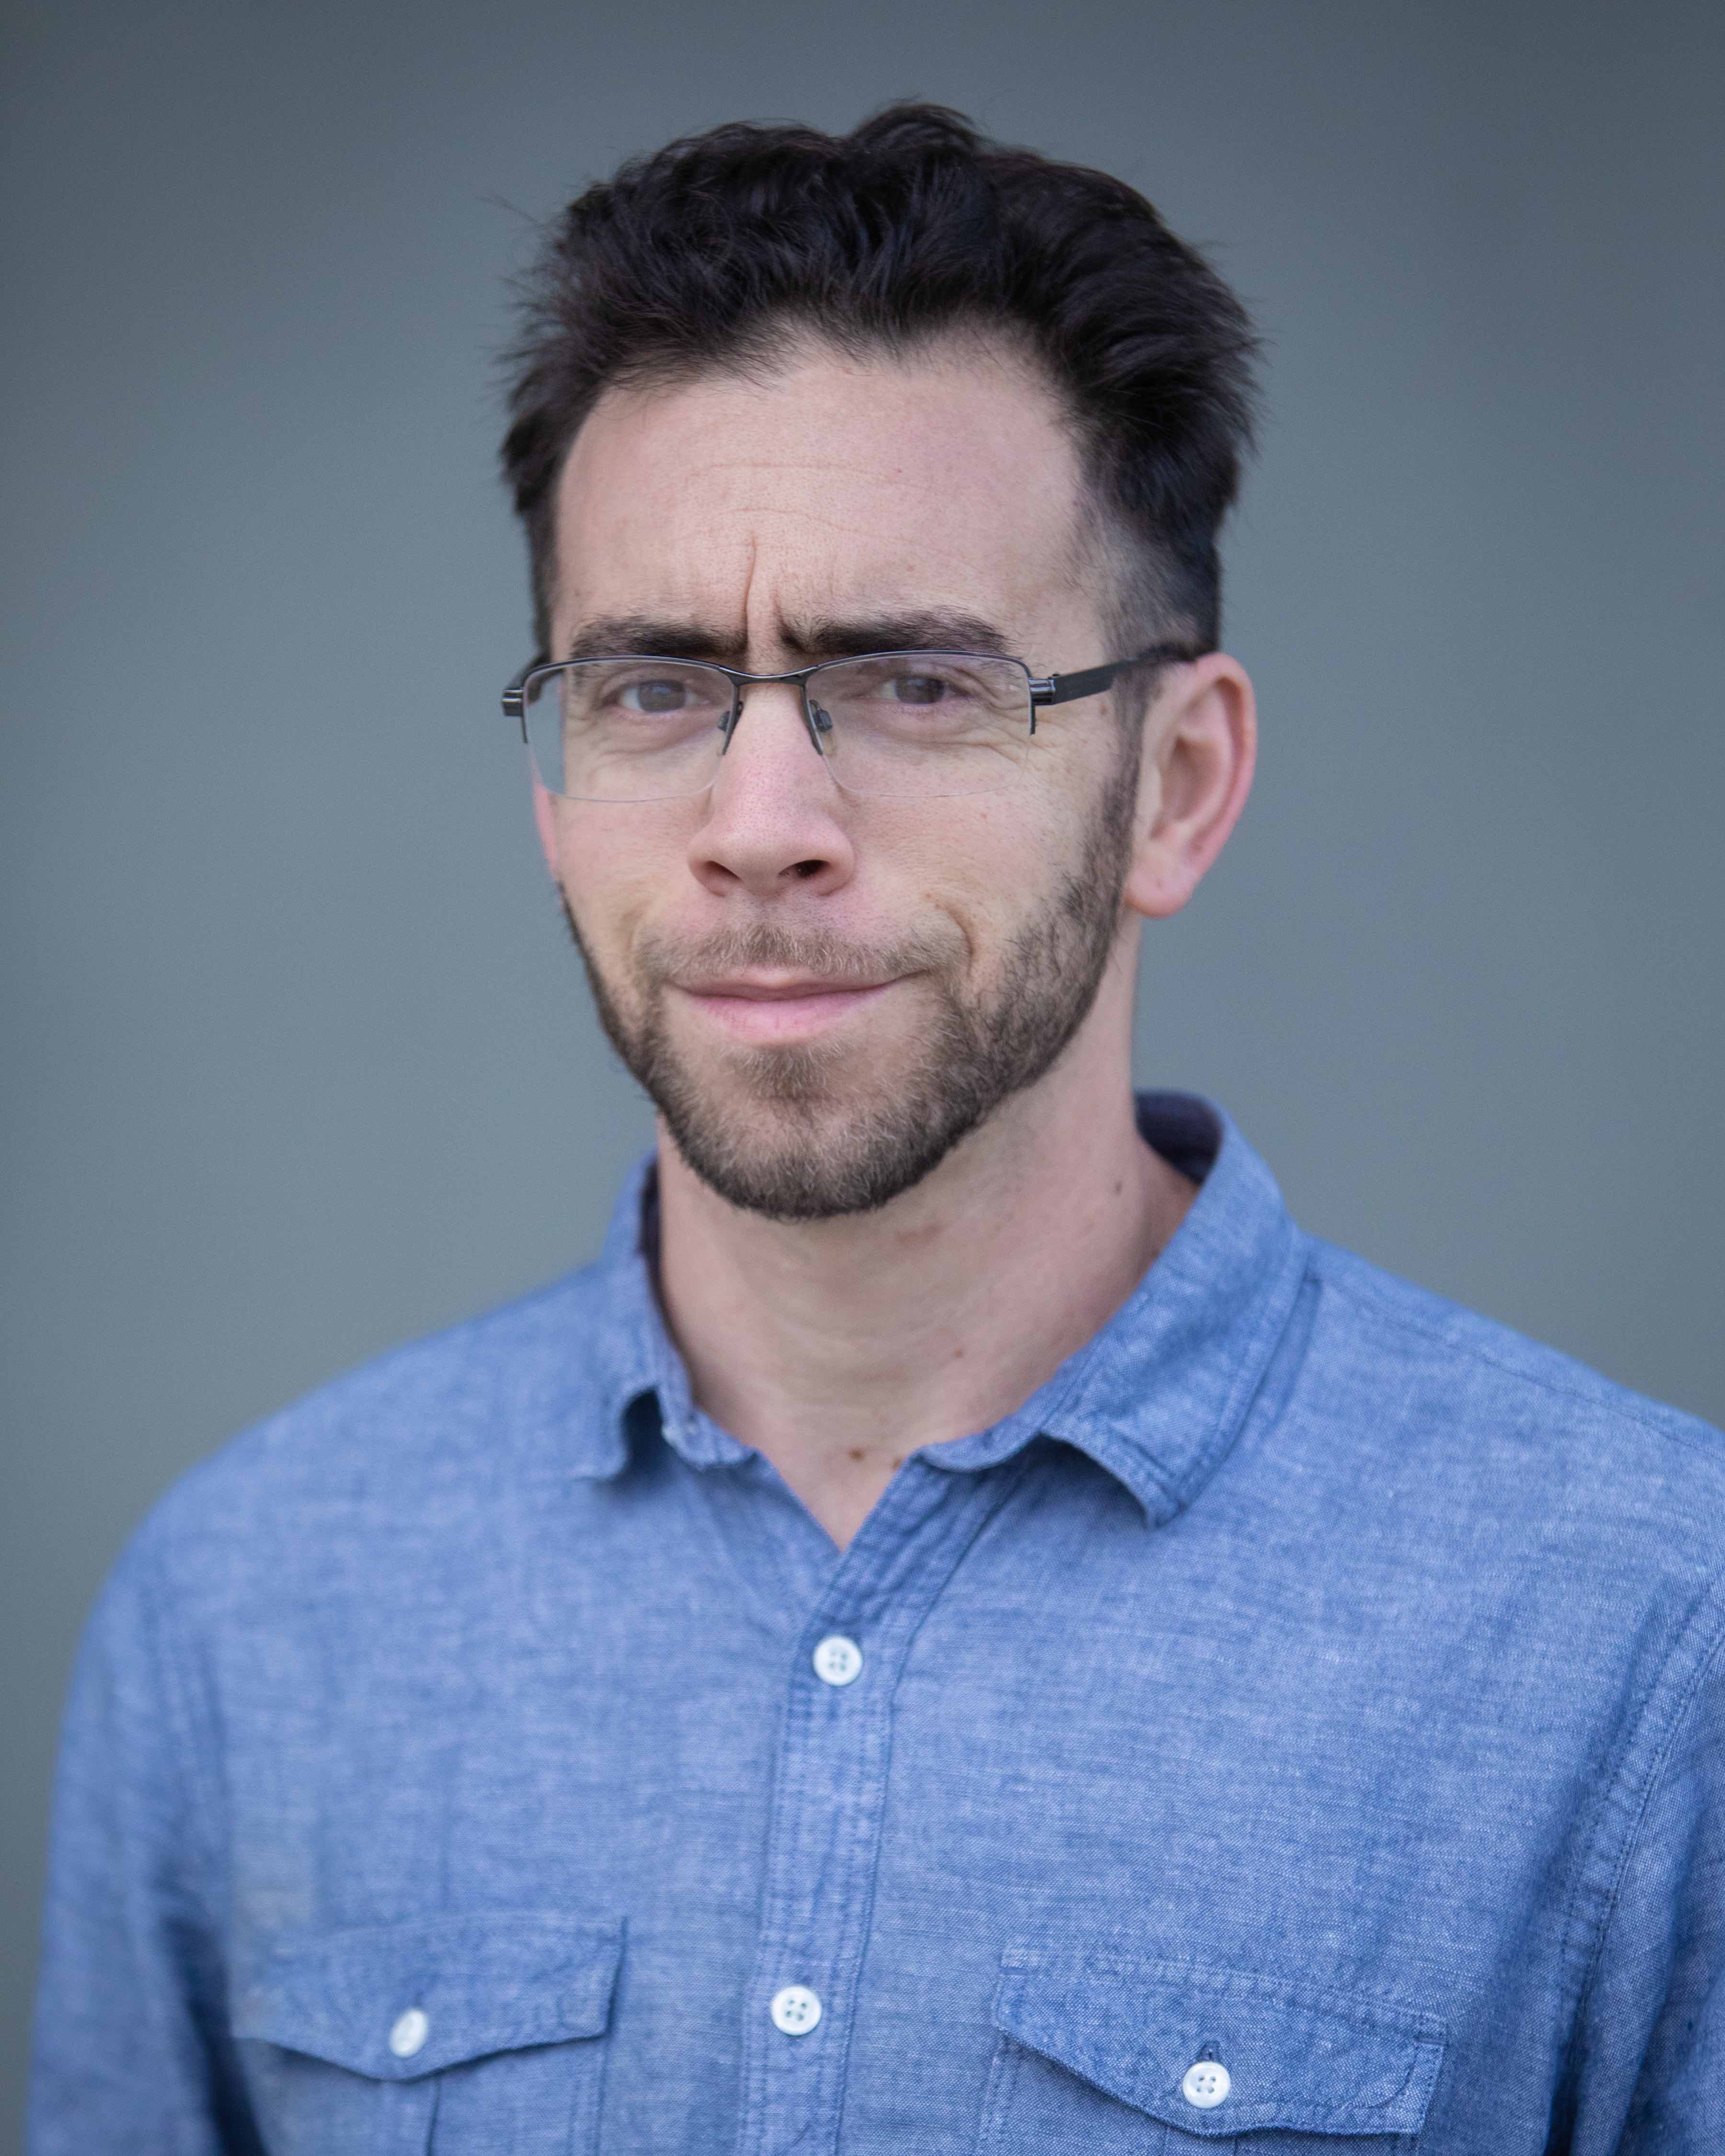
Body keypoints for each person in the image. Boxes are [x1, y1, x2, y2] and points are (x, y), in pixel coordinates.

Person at [28, 103, 1724, 2156]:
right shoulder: (246, 1614)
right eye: (654, 689)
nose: (760, 827)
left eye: (917, 683)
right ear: (556, 800)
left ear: (1178, 784)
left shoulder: (1642, 1627)